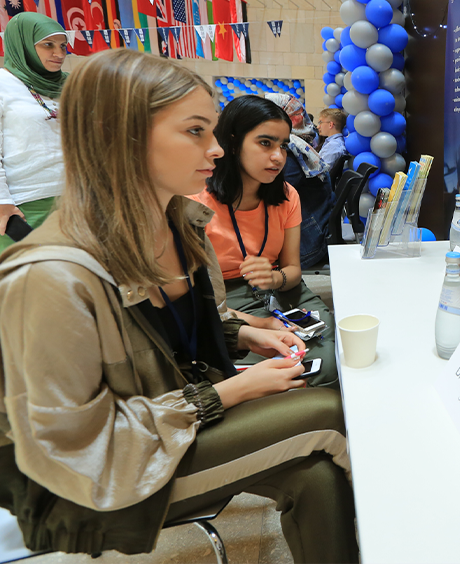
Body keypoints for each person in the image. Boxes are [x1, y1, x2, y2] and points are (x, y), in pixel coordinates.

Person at [0, 49, 357, 562]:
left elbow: (171, 331)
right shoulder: (51, 276)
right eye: (195, 131)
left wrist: (243, 334)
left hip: (174, 426)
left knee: (316, 473)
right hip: (100, 484)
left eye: (213, 132)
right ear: (115, 133)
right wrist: (226, 394)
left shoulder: (181, 222)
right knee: (327, 412)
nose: (215, 150)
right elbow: (77, 450)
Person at [194, 95, 339, 389]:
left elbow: (293, 271)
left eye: (283, 145)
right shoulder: (195, 202)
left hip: (282, 292)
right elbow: (194, 301)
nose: (278, 156)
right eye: (265, 143)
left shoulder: (286, 196)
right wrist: (259, 324)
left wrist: (273, 277)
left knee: (330, 356)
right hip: (223, 301)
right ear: (233, 143)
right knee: (274, 367)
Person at [0, 13, 68, 251]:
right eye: (48, 45)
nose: (58, 54)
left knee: (72, 281)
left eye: (63, 45)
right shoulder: (3, 85)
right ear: (24, 45)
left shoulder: (69, 85)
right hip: (22, 206)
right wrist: (2, 203)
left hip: (75, 201)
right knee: (23, 282)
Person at [265, 93, 334, 268]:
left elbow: (272, 196)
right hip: (313, 230)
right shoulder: (298, 142)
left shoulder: (289, 149)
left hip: (307, 242)